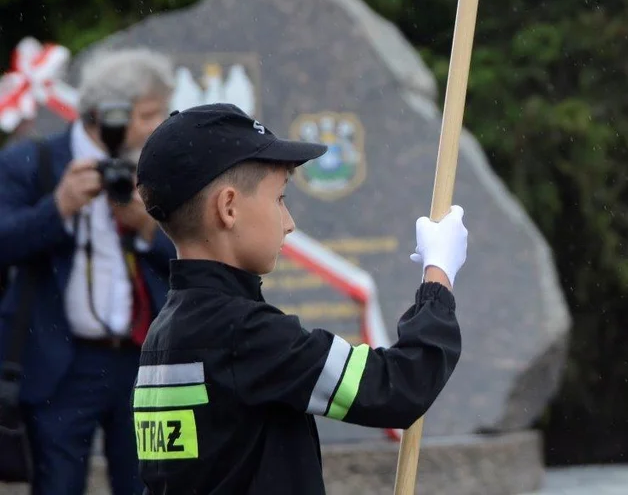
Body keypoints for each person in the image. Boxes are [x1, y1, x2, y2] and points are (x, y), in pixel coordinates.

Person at [131, 103, 465, 494]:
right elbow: (399, 386)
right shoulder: (244, 334)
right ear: (229, 207)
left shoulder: (165, 332)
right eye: (280, 199)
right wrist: (438, 276)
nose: (290, 222)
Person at [0, 47, 177, 495]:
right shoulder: (31, 163)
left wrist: (145, 228)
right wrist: (56, 209)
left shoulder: (160, 170)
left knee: (145, 485)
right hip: (61, 360)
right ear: (106, 116)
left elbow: (193, 259)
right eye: (150, 114)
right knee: (58, 485)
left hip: (142, 362)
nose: (161, 126)